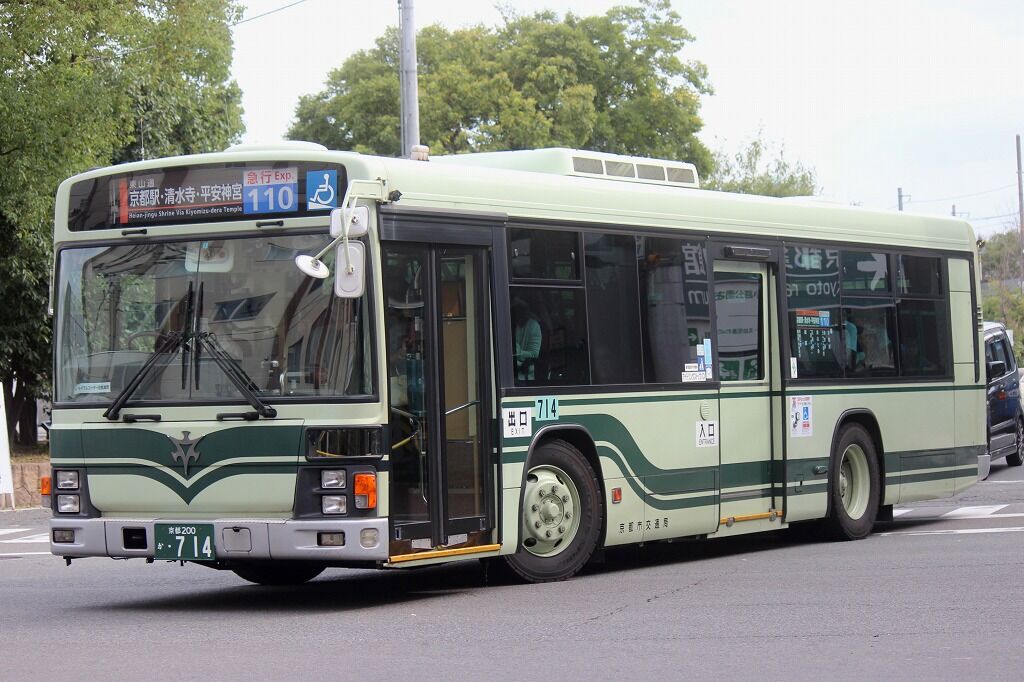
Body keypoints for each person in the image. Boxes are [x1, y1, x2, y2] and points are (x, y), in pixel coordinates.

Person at [512, 297, 542, 382]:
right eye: (516, 312)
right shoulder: (507, 324)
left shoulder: (534, 326)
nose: (520, 315)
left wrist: (517, 352)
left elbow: (534, 354)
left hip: (524, 377)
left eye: (522, 311)